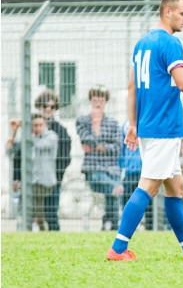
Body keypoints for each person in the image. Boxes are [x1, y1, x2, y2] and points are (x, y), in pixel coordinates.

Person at [107, 0, 183, 261]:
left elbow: (132, 86)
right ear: (166, 12)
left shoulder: (142, 43)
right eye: (182, 14)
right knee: (149, 186)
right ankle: (117, 249)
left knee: (175, 187)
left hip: (148, 125)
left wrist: (132, 123)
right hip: (163, 127)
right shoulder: (170, 43)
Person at [76, 85, 122, 231]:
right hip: (93, 169)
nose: (98, 104)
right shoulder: (82, 121)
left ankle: (109, 225)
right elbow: (87, 141)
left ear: (105, 102)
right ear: (90, 101)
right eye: (95, 100)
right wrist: (95, 124)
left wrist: (98, 147)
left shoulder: (113, 123)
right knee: (116, 188)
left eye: (101, 101)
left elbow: (117, 148)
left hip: (112, 170)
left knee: (115, 193)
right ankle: (111, 226)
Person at [6, 114, 58, 231]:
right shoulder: (28, 138)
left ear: (45, 125)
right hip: (30, 181)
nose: (38, 128)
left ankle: (34, 227)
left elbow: (40, 145)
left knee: (33, 206)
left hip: (45, 181)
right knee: (32, 207)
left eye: (40, 125)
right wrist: (14, 131)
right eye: (34, 125)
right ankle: (33, 228)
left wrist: (26, 132)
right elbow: (9, 151)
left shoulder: (51, 137)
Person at [34, 91, 72, 231]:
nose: (48, 109)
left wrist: (56, 177)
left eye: (52, 106)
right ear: (39, 107)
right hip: (34, 179)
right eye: (45, 105)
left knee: (51, 214)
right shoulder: (31, 128)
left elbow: (65, 158)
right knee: (32, 215)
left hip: (52, 180)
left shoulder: (61, 131)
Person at [119, 119, 153, 230]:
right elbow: (122, 148)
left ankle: (150, 227)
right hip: (131, 171)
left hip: (147, 171)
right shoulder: (126, 125)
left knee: (149, 204)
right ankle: (127, 228)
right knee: (127, 201)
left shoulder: (150, 121)